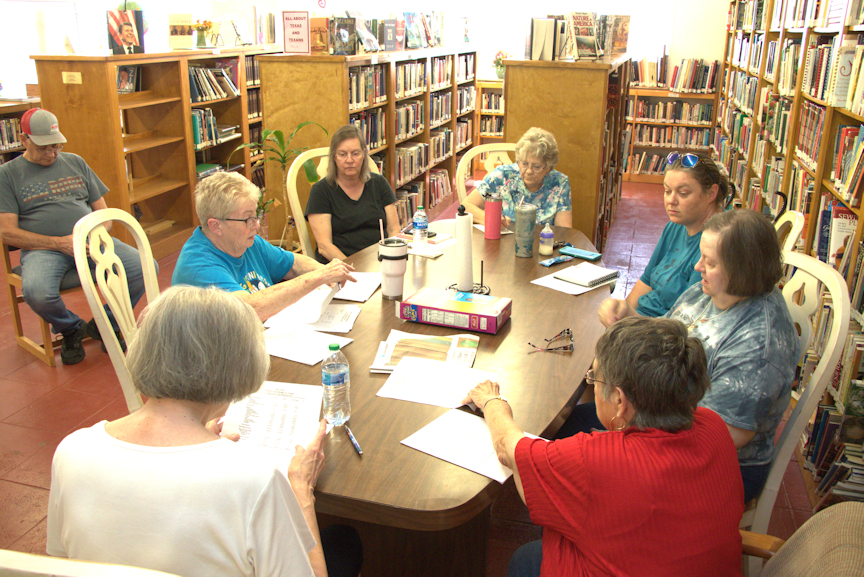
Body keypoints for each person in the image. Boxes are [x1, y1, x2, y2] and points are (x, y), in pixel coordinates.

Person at [47, 286, 363, 577]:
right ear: (241, 368)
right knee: (344, 541)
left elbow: (60, 561)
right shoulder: (254, 480)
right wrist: (301, 494)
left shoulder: (72, 450)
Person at [463, 317, 744, 577]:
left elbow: (508, 448)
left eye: (594, 379)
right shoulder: (713, 425)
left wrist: (491, 401)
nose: (593, 386)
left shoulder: (598, 460)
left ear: (620, 401)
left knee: (526, 560)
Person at [563, 209, 799, 503]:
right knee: (566, 427)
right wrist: (630, 318)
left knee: (577, 459)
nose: (699, 266)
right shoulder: (713, 289)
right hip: (660, 418)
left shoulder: (758, 345)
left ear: (742, 269)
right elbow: (668, 337)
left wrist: (630, 431)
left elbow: (724, 436)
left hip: (714, 466)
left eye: (710, 262)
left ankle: (596, 534)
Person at [0, 108, 150, 365]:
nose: (51, 153)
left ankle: (106, 324)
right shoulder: (7, 175)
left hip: (89, 242)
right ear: (24, 139)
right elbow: (7, 232)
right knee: (37, 292)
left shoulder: (75, 162)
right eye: (43, 148)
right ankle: (71, 328)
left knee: (144, 267)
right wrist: (57, 243)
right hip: (43, 250)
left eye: (56, 146)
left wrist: (94, 236)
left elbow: (104, 214)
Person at [172, 171, 356, 321]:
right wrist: (319, 276)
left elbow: (294, 264)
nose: (257, 225)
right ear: (216, 226)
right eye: (247, 219)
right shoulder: (199, 267)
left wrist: (330, 276)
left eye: (256, 215)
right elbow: (249, 309)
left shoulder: (247, 241)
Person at [598, 151, 728, 326]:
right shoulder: (677, 225)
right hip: (640, 322)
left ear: (711, 193)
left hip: (663, 333)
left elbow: (688, 323)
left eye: (683, 193)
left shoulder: (719, 243)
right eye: (667, 191)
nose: (670, 201)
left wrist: (629, 323)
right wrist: (620, 313)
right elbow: (647, 280)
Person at [306, 125, 399, 264]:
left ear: (363, 155)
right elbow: (324, 247)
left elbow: (394, 229)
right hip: (341, 267)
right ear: (334, 157)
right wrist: (354, 269)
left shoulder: (379, 183)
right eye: (343, 154)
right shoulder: (321, 191)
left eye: (355, 153)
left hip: (380, 262)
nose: (349, 160)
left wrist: (390, 259)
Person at [463, 127, 572, 228]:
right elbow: (466, 206)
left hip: (542, 244)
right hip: (502, 243)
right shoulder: (503, 176)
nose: (529, 171)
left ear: (549, 167)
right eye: (524, 163)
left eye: (537, 166)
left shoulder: (560, 183)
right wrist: (490, 219)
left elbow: (563, 231)